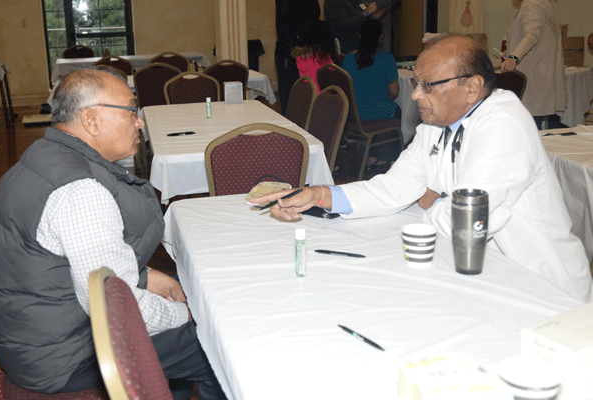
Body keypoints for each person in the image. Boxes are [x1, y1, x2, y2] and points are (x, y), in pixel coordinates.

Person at [251, 35, 593, 303]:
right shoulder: (438, 124)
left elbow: (465, 220)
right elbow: (394, 188)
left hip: (540, 282)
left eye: (427, 85)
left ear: (471, 86)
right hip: (482, 272)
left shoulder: (504, 124)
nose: (415, 95)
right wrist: (320, 195)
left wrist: (432, 202)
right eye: (416, 82)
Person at [0, 69, 226, 400]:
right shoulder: (80, 192)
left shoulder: (38, 162)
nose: (140, 122)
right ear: (91, 120)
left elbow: (59, 262)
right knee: (218, 346)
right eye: (131, 110)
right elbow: (113, 310)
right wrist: (187, 315)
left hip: (29, 338)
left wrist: (146, 278)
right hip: (65, 359)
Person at [342, 18, 401, 166]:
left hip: (351, 115)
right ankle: (390, 158)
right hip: (376, 113)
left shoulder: (348, 58)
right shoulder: (387, 58)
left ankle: (368, 153)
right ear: (380, 37)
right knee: (395, 110)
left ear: (360, 36)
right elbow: (394, 93)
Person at [500, 0, 566, 129]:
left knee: (529, 127)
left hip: (531, 77)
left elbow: (532, 35)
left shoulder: (533, 3)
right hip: (538, 75)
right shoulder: (543, 3)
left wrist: (514, 57)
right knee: (534, 126)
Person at [275, 0, 321, 114]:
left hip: (308, 51)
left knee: (308, 94)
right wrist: (298, 49)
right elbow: (283, 27)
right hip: (290, 54)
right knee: (290, 96)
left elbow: (315, 16)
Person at [290, 20, 337, 93]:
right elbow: (334, 76)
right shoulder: (324, 58)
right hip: (322, 96)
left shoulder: (300, 57)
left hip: (306, 95)